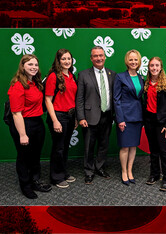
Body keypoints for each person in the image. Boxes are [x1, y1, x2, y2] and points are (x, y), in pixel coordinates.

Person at [7, 54, 52, 199]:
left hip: (37, 122)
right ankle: (25, 186)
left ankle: (35, 181)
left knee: (35, 156)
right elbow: (16, 114)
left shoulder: (35, 83)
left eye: (35, 65)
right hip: (23, 124)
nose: (33, 67)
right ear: (23, 66)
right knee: (24, 157)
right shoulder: (17, 86)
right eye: (30, 65)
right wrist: (22, 134)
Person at [76, 46, 116, 184]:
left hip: (107, 115)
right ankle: (88, 171)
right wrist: (81, 117)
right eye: (95, 56)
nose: (99, 58)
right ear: (91, 58)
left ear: (105, 57)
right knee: (89, 146)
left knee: (104, 144)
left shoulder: (112, 74)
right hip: (89, 117)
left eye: (101, 55)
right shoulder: (83, 75)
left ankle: (100, 167)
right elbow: (79, 98)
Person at [45, 48, 78, 189]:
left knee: (64, 147)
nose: (66, 61)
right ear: (58, 61)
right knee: (58, 147)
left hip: (70, 116)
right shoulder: (53, 76)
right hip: (58, 115)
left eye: (68, 59)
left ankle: (63, 172)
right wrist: (55, 120)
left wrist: (75, 118)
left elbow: (72, 98)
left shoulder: (71, 75)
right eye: (63, 59)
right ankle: (56, 177)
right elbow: (47, 100)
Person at [143, 57, 166, 191]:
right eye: (152, 65)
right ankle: (155, 174)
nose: (154, 68)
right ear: (149, 68)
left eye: (157, 65)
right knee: (153, 151)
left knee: (163, 151)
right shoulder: (146, 83)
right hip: (149, 121)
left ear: (161, 67)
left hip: (162, 123)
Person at [113, 49, 144, 186]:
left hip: (137, 116)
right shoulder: (120, 77)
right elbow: (116, 99)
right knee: (125, 147)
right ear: (127, 61)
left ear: (139, 62)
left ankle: (130, 171)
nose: (133, 62)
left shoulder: (141, 77)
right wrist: (120, 119)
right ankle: (124, 172)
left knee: (133, 146)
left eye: (136, 59)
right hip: (124, 117)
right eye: (131, 59)